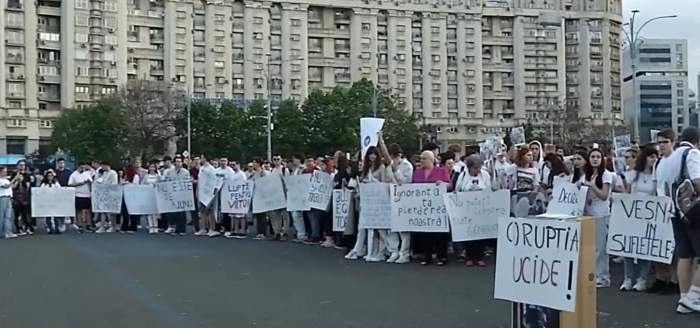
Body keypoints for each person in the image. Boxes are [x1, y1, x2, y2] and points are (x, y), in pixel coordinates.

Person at [655, 127, 700, 314]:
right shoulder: (691, 153)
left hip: (673, 212)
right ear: (697, 140)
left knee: (684, 255)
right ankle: (694, 295)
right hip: (692, 212)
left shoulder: (663, 161)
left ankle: (684, 297)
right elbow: (697, 181)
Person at [619, 145, 658, 292]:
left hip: (649, 217)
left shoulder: (656, 175)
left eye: (655, 157)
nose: (653, 159)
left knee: (645, 248)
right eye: (650, 156)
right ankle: (628, 278)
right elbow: (627, 192)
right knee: (629, 248)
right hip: (633, 215)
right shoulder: (634, 174)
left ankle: (642, 279)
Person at [647, 128, 680, 294]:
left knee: (674, 248)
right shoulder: (658, 163)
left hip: (675, 209)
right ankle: (661, 278)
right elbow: (655, 186)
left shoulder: (677, 159)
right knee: (658, 246)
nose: (661, 146)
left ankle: (675, 280)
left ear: (673, 142)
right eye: (659, 143)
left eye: (665, 142)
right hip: (660, 209)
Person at [345, 146, 390, 261]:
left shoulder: (381, 167)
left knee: (379, 229)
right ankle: (358, 249)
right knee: (362, 227)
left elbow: (383, 183)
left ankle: (385, 249)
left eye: (374, 154)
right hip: (366, 201)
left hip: (377, 201)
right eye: (370, 154)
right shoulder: (366, 168)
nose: (372, 156)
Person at [579, 148, 613, 288]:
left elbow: (604, 195)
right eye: (592, 156)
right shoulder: (585, 174)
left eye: (598, 157)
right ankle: (592, 274)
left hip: (600, 214)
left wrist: (593, 186)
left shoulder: (606, 174)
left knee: (600, 248)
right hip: (587, 213)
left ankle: (603, 277)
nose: (595, 159)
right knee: (588, 248)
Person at [413, 151, 452, 266]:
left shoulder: (441, 171)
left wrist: (443, 184)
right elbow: (412, 186)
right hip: (423, 207)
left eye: (424, 159)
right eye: (420, 159)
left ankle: (442, 256)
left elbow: (450, 185)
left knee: (440, 233)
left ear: (431, 159)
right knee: (425, 233)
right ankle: (427, 256)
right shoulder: (418, 172)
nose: (421, 161)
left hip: (438, 207)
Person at [380, 140, 414, 264]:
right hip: (391, 198)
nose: (395, 158)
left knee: (404, 229)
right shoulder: (388, 166)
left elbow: (405, 182)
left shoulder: (407, 166)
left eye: (397, 156)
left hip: (403, 200)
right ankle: (394, 250)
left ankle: (404, 253)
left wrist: (395, 171)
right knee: (392, 228)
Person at [455, 154, 491, 267]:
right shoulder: (463, 175)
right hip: (467, 209)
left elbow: (488, 189)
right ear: (469, 167)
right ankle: (469, 257)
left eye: (479, 167)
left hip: (481, 209)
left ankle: (480, 257)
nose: (477, 170)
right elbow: (458, 190)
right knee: (468, 233)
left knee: (480, 233)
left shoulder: (484, 175)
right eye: (475, 168)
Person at [163, 156, 190, 236]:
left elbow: (187, 182)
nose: (178, 163)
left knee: (182, 212)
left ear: (182, 163)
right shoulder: (169, 172)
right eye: (177, 161)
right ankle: (174, 228)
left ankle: (182, 229)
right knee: (173, 212)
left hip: (182, 194)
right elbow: (167, 181)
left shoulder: (185, 172)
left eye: (179, 161)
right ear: (174, 163)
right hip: (173, 194)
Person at [195, 155, 219, 237]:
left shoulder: (211, 169)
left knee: (210, 211)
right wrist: (197, 191)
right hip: (201, 193)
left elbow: (214, 181)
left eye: (201, 158)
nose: (200, 159)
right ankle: (203, 229)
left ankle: (212, 229)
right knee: (202, 212)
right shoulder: (201, 168)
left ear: (205, 158)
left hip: (209, 194)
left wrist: (211, 193)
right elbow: (199, 180)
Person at [68, 162, 93, 233]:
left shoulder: (87, 173)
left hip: (87, 194)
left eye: (84, 167)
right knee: (79, 210)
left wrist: (89, 182)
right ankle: (80, 225)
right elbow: (70, 184)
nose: (83, 169)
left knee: (88, 210)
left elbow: (91, 181)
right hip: (78, 194)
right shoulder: (73, 175)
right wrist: (80, 183)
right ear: (78, 167)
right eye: (81, 167)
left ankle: (88, 225)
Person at [288, 154, 308, 242]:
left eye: (295, 159)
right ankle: (299, 232)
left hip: (301, 194)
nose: (294, 161)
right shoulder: (294, 170)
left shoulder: (303, 169)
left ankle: (302, 233)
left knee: (297, 214)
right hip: (294, 194)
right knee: (295, 214)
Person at [94, 162, 119, 234]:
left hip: (111, 193)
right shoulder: (104, 173)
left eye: (103, 166)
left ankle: (113, 226)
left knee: (111, 212)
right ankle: (102, 226)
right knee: (102, 210)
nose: (103, 168)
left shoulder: (113, 173)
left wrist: (106, 187)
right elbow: (101, 182)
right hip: (103, 193)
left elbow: (114, 183)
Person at [11, 160, 33, 235]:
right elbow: (12, 186)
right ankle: (18, 228)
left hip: (25, 197)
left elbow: (28, 186)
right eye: (20, 165)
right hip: (16, 197)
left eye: (23, 165)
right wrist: (16, 180)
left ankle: (27, 227)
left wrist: (22, 180)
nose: (21, 167)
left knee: (25, 214)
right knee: (16, 214)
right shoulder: (14, 174)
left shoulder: (27, 175)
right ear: (17, 166)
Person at [141, 162, 161, 234]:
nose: (152, 168)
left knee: (155, 211)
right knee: (149, 211)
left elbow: (160, 185)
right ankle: (150, 226)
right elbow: (142, 185)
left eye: (153, 167)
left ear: (155, 168)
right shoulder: (146, 176)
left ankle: (155, 226)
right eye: (150, 167)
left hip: (155, 195)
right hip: (148, 195)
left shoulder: (158, 176)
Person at [40, 170, 62, 234]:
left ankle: (57, 228)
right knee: (48, 216)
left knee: (56, 216)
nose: (50, 177)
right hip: (47, 201)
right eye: (48, 176)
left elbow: (60, 190)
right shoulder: (44, 184)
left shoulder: (56, 184)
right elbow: (41, 192)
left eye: (51, 176)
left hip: (55, 201)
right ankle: (50, 228)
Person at [0, 166, 17, 239]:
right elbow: (6, 186)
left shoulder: (6, 180)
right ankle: (2, 232)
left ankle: (8, 232)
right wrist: (14, 179)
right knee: (2, 216)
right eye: (4, 171)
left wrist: (17, 180)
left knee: (8, 216)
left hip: (9, 198)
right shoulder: (0, 180)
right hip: (2, 198)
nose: (5, 172)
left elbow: (12, 186)